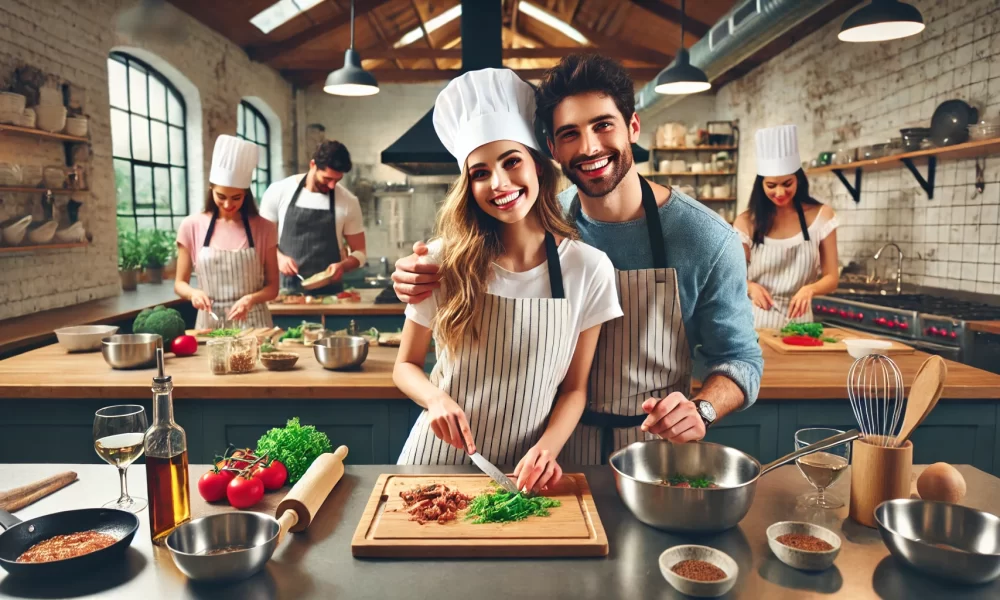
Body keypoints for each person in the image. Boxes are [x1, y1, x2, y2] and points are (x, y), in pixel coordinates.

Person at [393, 54, 763, 464]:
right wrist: (413, 276)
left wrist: (702, 409)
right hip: (551, 451)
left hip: (650, 452)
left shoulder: (708, 239)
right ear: (551, 148)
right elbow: (472, 248)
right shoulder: (539, 217)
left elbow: (741, 360)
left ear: (633, 127)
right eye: (570, 133)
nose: (589, 147)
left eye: (603, 125)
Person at [394, 68, 623, 491]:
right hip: (435, 461)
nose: (499, 184)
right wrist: (435, 399)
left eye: (511, 161)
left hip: (525, 470)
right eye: (480, 173)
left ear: (538, 165)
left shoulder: (589, 268)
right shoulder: (444, 261)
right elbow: (405, 365)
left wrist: (549, 448)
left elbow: (575, 389)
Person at [733, 125, 839, 329]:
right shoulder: (747, 222)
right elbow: (730, 277)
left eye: (787, 183)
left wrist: (810, 289)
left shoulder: (821, 216)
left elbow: (832, 278)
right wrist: (750, 287)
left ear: (798, 179)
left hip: (801, 325)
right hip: (755, 326)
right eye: (771, 186)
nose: (780, 192)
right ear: (761, 184)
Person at [175, 135, 279, 328]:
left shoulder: (264, 228)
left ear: (246, 194)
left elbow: (273, 288)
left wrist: (250, 299)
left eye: (236, 197)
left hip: (254, 325)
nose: (228, 204)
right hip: (209, 324)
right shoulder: (191, 225)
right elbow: (179, 283)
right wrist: (193, 293)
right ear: (211, 189)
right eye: (221, 196)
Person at [259, 140, 366, 295]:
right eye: (327, 179)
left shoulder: (348, 201)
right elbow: (261, 240)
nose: (331, 186)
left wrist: (343, 266)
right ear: (312, 165)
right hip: (283, 292)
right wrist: (279, 258)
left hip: (331, 295)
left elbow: (360, 252)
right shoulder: (279, 191)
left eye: (337, 180)